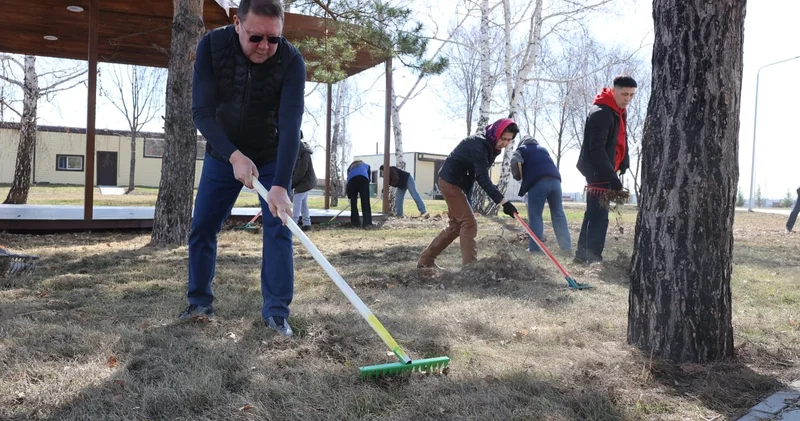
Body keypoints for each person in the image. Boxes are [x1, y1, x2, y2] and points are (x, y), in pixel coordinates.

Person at [182, 0, 305, 337]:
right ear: (237, 23)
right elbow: (202, 113)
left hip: (271, 153)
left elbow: (291, 126)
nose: (265, 46)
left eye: (273, 39)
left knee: (279, 228)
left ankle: (277, 313)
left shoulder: (292, 61)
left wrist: (280, 184)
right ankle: (198, 302)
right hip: (224, 154)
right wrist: (234, 155)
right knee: (203, 226)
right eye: (255, 38)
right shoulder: (212, 46)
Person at [417, 118, 520, 269]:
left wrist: (468, 197)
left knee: (456, 227)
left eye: (509, 140)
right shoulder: (480, 144)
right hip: (450, 182)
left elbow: (472, 174)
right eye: (503, 138)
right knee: (469, 223)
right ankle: (470, 268)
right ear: (496, 133)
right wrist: (504, 202)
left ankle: (425, 261)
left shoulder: (490, 146)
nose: (505, 143)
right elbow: (482, 178)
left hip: (458, 185)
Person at [574, 75, 637, 264]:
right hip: (598, 171)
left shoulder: (616, 111)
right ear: (614, 90)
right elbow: (596, 149)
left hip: (607, 170)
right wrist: (612, 178)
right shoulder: (601, 112)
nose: (627, 99)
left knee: (594, 214)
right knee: (598, 217)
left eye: (631, 95)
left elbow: (618, 140)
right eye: (624, 94)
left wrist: (624, 161)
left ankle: (582, 256)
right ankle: (592, 259)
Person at [511, 136, 571, 253]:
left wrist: (518, 176)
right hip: (556, 181)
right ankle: (566, 247)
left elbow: (515, 161)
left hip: (538, 182)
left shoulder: (521, 149)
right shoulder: (543, 149)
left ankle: (534, 248)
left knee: (535, 215)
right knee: (558, 214)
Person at [292, 131, 316, 232]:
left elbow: (301, 170)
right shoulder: (298, 149)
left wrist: (291, 184)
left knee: (297, 199)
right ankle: (307, 224)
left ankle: (293, 224)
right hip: (303, 181)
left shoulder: (303, 151)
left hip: (305, 181)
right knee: (303, 203)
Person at [346, 160, 373, 228]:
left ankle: (355, 223)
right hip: (363, 180)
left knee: (353, 203)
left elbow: (348, 180)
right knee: (365, 202)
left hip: (352, 181)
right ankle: (367, 223)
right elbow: (368, 178)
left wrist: (350, 196)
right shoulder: (366, 165)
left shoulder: (350, 167)